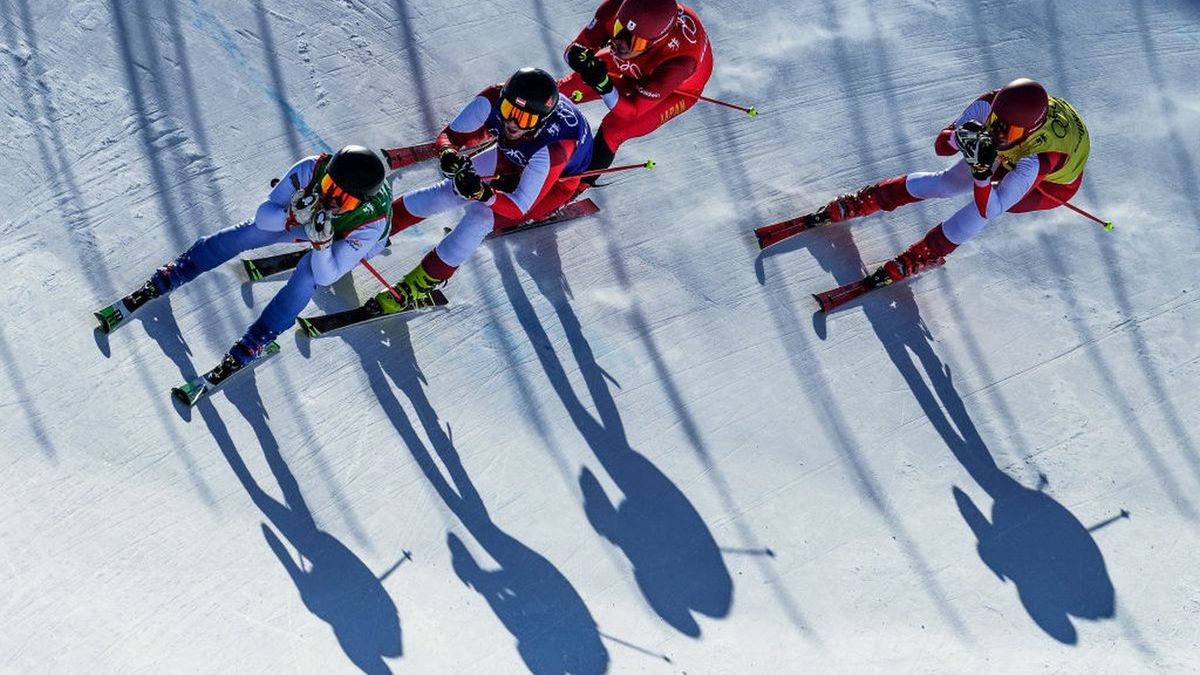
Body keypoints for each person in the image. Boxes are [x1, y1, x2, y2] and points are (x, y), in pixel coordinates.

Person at [130, 146, 390, 372]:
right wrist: (289, 215)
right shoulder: (312, 168)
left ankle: (259, 336)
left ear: (361, 202)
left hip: (347, 239)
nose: (330, 199)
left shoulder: (371, 222)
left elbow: (327, 275)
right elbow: (263, 217)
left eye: (344, 199)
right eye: (328, 187)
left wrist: (322, 246)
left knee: (309, 273)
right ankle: (180, 270)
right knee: (251, 232)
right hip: (308, 221)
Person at [819, 78, 1090, 286]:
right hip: (1021, 151)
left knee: (984, 208)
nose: (999, 134)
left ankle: (926, 253)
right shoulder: (990, 104)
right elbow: (941, 146)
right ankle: (872, 197)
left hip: (1051, 185)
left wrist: (982, 171)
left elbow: (991, 208)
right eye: (995, 122)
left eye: (1011, 131)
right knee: (949, 182)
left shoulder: (1041, 157)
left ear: (1029, 130)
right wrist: (959, 138)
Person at [371, 67, 593, 313]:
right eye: (509, 110)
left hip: (557, 182)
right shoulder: (491, 98)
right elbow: (450, 135)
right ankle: (375, 228)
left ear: (541, 121)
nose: (512, 122)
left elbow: (518, 207)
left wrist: (483, 195)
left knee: (480, 216)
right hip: (512, 156)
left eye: (525, 119)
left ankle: (417, 285)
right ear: (503, 98)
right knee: (448, 191)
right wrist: (448, 153)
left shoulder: (555, 149)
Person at [558, 0, 712, 184]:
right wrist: (577, 57)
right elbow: (578, 47)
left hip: (674, 90)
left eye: (634, 42)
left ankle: (574, 188)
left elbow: (632, 111)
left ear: (657, 40)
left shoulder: (680, 62)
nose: (619, 43)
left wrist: (604, 86)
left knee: (614, 128)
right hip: (640, 63)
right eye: (617, 29)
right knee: (566, 88)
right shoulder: (615, 8)